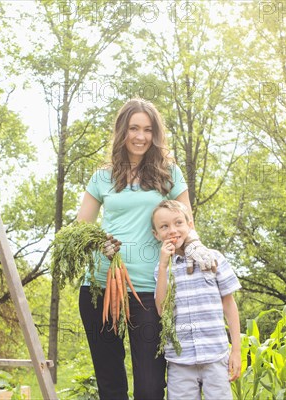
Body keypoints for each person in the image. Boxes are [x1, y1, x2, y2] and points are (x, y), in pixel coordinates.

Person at [76, 98, 215, 400]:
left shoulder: (168, 173)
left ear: (156, 134)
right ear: (122, 131)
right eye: (134, 128)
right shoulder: (103, 176)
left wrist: (198, 250)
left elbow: (187, 223)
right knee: (110, 385)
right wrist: (99, 242)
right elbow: (80, 228)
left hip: (151, 289)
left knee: (151, 387)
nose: (140, 136)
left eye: (148, 130)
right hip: (101, 286)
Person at [152, 200, 241, 400]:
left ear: (190, 225)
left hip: (216, 356)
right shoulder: (162, 270)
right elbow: (161, 310)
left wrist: (236, 351)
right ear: (156, 235)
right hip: (180, 362)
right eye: (164, 227)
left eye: (178, 223)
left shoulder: (213, 258)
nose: (172, 230)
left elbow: (229, 305)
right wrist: (164, 266)